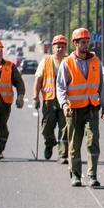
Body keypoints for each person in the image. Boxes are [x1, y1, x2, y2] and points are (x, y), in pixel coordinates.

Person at [56, 28, 104, 187]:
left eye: (87, 42)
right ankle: (76, 175)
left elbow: (101, 85)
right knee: (74, 143)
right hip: (73, 110)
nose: (86, 45)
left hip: (92, 108)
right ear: (75, 44)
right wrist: (64, 104)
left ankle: (92, 175)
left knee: (93, 141)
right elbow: (61, 87)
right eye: (83, 42)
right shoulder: (67, 63)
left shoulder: (95, 62)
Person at [33, 34, 69, 162]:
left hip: (66, 101)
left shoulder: (70, 61)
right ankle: (49, 143)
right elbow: (38, 79)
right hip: (50, 100)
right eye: (57, 47)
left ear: (66, 48)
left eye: (62, 47)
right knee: (46, 127)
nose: (60, 49)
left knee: (64, 128)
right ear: (53, 48)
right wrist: (35, 97)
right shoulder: (46, 61)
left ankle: (62, 155)